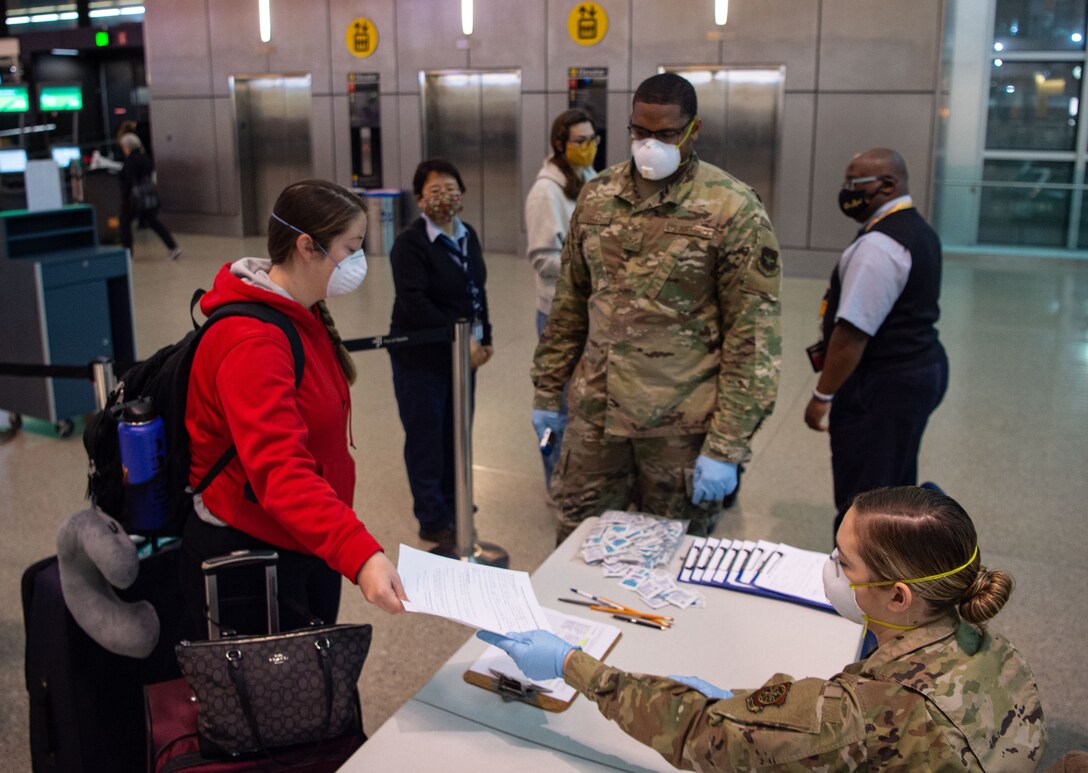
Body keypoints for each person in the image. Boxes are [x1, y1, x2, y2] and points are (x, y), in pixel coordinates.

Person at [479, 485, 1048, 770]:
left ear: (897, 597)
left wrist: (569, 664)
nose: (828, 570)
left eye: (842, 563)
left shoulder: (856, 713)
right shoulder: (998, 652)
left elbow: (700, 734)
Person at [530, 72, 781, 541]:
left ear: (693, 129)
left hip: (679, 433)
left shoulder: (732, 208)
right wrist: (548, 390)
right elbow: (570, 306)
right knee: (578, 557)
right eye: (639, 132)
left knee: (669, 573)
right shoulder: (597, 196)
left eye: (666, 134)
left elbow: (754, 340)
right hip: (596, 424)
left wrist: (726, 446)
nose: (650, 144)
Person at [182, 178, 405, 634]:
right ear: (307, 246)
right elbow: (280, 471)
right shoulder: (254, 342)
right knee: (283, 695)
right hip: (257, 548)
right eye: (352, 246)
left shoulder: (301, 310)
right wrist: (358, 552)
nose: (359, 260)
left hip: (304, 534)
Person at [804, 148, 949, 535]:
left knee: (864, 500)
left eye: (855, 184)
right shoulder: (916, 229)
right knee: (892, 484)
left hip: (883, 384)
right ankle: (890, 558)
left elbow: (852, 335)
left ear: (888, 185)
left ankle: (859, 576)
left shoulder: (879, 245)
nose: (847, 192)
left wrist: (822, 397)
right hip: (918, 368)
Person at [388, 159, 493, 546]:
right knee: (427, 437)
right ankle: (433, 517)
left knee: (457, 432)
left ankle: (455, 500)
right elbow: (414, 303)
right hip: (422, 359)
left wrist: (486, 337)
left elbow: (476, 290)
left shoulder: (469, 235)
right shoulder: (410, 245)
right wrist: (458, 337)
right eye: (434, 191)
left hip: (462, 356)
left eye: (451, 189)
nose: (444, 198)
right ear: (419, 199)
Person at [524, 108, 598, 493]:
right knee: (556, 405)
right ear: (559, 144)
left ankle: (579, 478)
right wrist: (588, 259)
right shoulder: (545, 192)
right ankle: (555, 480)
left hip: (589, 312)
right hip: (557, 314)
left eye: (592, 139)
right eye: (580, 141)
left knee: (584, 404)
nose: (589, 147)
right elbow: (541, 257)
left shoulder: (588, 179)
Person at [118, 132, 182, 260]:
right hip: (149, 197)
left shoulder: (130, 160)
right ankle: (173, 246)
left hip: (134, 199)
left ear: (127, 146)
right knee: (153, 222)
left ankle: (127, 252)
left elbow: (129, 180)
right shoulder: (145, 157)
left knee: (124, 223)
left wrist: (125, 195)